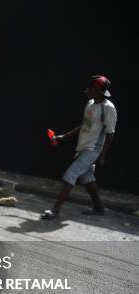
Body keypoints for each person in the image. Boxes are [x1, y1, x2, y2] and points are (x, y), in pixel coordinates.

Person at [41, 75, 117, 219]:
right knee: (86, 176)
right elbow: (85, 126)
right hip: (84, 147)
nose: (86, 90)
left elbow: (110, 133)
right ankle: (99, 207)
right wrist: (63, 136)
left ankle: (55, 210)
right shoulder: (90, 103)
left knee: (71, 175)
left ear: (98, 90)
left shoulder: (108, 109)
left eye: (90, 88)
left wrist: (103, 154)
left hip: (94, 149)